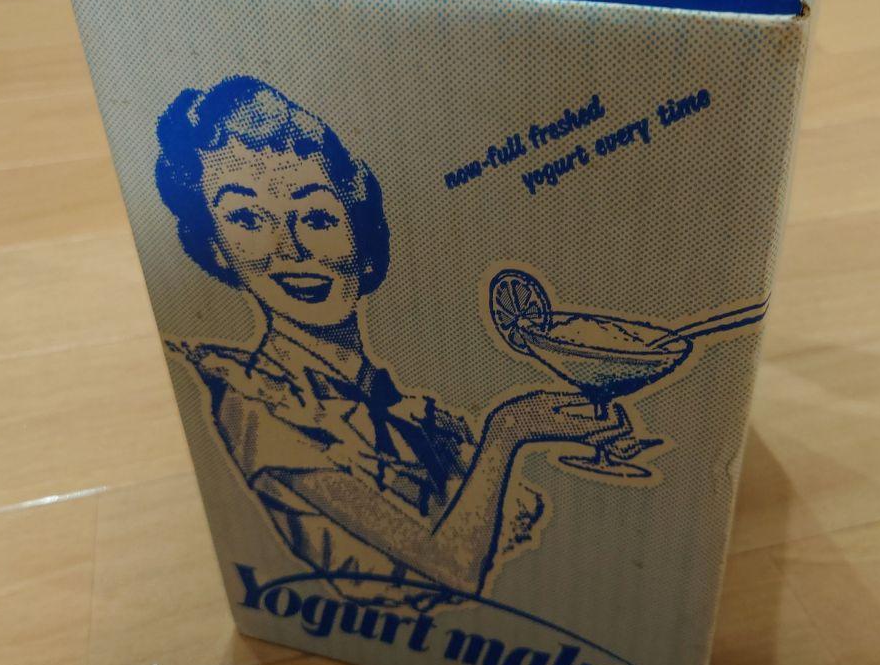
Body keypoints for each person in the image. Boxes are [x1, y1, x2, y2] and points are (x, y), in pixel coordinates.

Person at [156, 75, 629, 608]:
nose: (290, 249)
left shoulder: (413, 411)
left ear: (360, 239)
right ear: (217, 249)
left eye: (317, 217)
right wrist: (510, 431)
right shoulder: (257, 406)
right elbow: (451, 569)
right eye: (246, 219)